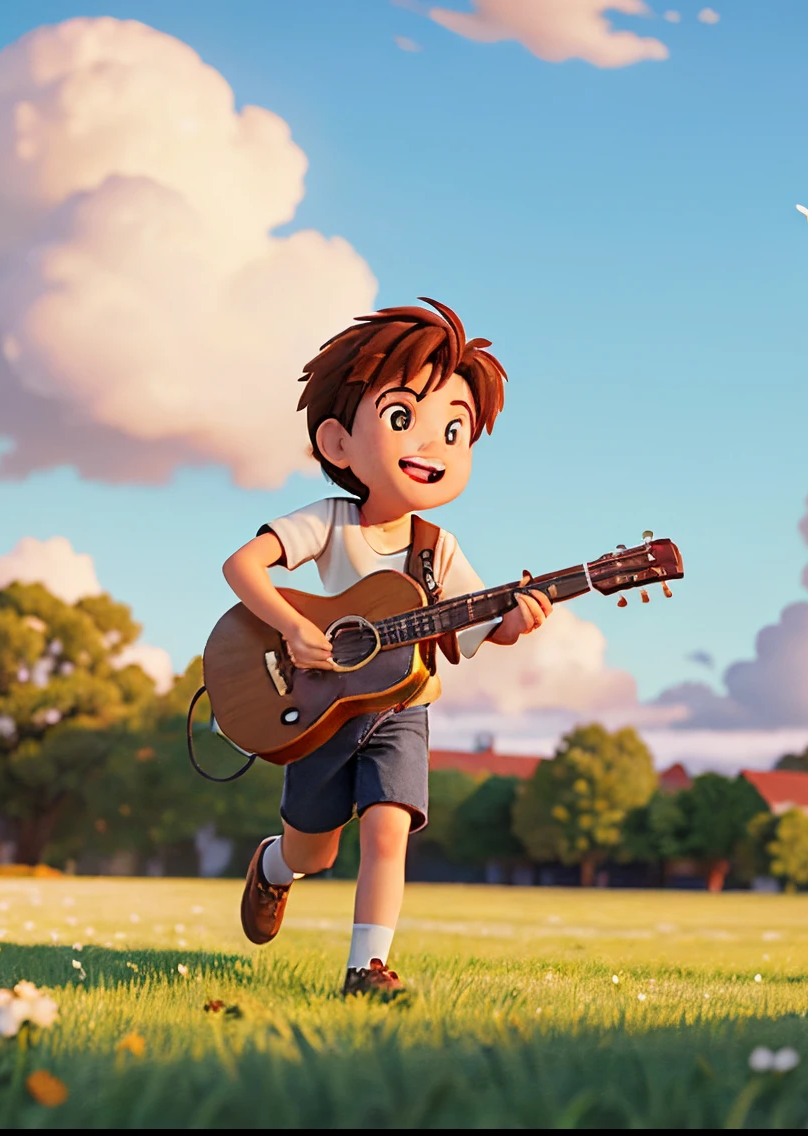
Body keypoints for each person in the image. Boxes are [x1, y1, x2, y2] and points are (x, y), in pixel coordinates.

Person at [222, 299, 552, 997]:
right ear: (339, 443)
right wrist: (294, 629)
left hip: (401, 709)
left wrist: (516, 620)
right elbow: (242, 567)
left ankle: (364, 969)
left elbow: (478, 625)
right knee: (314, 848)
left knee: (387, 833)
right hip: (317, 709)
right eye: (403, 419)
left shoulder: (440, 550)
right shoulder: (329, 522)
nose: (431, 445)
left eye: (454, 429)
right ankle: (275, 868)